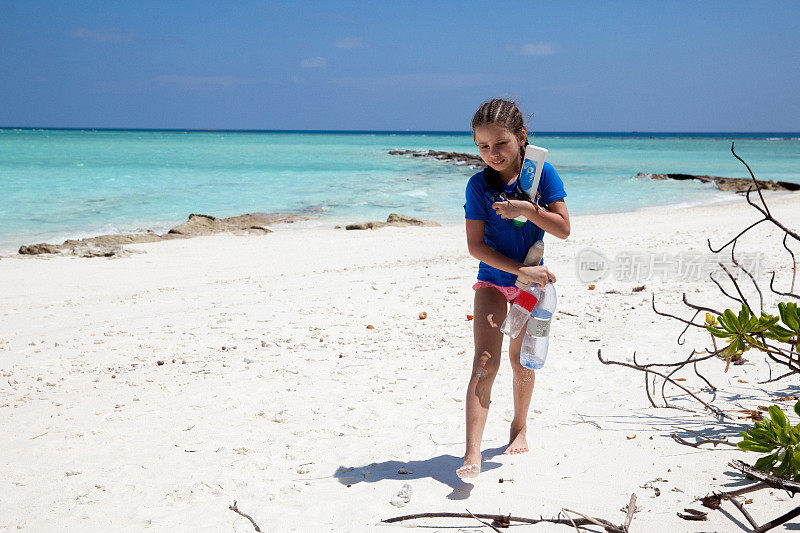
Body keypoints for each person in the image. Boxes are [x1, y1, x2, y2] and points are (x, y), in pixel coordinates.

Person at [457, 98, 570, 479]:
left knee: (522, 360)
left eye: (500, 144)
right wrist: (519, 270)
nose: (492, 154)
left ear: (521, 138)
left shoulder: (543, 177)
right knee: (484, 361)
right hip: (493, 280)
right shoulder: (479, 186)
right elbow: (476, 246)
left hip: (532, 289)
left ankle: (519, 426)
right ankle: (473, 453)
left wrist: (527, 209)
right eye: (483, 146)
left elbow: (564, 229)